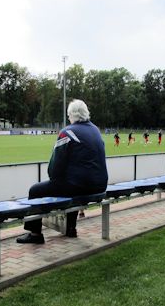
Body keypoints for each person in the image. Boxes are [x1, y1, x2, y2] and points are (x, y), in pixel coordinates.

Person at [17, 99, 108, 244]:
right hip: (100, 185)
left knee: (35, 190)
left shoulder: (68, 132)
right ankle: (70, 228)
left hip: (82, 186)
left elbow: (54, 168)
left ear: (71, 115)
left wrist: (56, 179)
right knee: (72, 187)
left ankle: (35, 234)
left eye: (68, 116)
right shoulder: (95, 130)